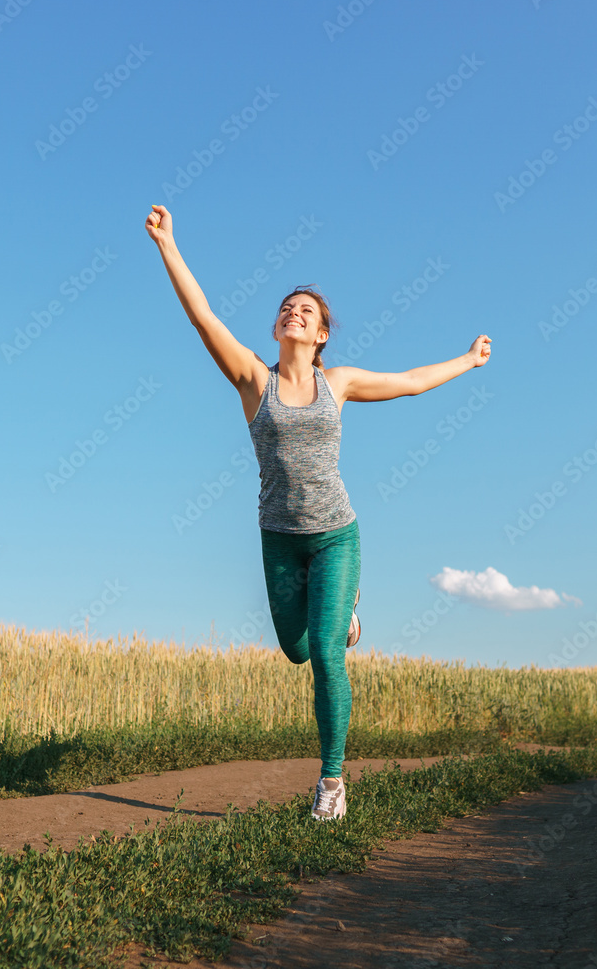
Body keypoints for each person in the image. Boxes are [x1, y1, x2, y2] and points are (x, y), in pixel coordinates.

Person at [145, 203, 492, 821]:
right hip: (280, 537)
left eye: (306, 311)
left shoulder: (341, 384)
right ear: (278, 328)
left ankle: (331, 784)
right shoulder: (254, 378)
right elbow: (203, 316)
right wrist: (169, 245)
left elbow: (411, 380)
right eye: (287, 308)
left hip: (336, 535)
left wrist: (467, 360)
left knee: (327, 654)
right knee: (297, 649)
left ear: (321, 334)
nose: (294, 313)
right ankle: (344, 620)